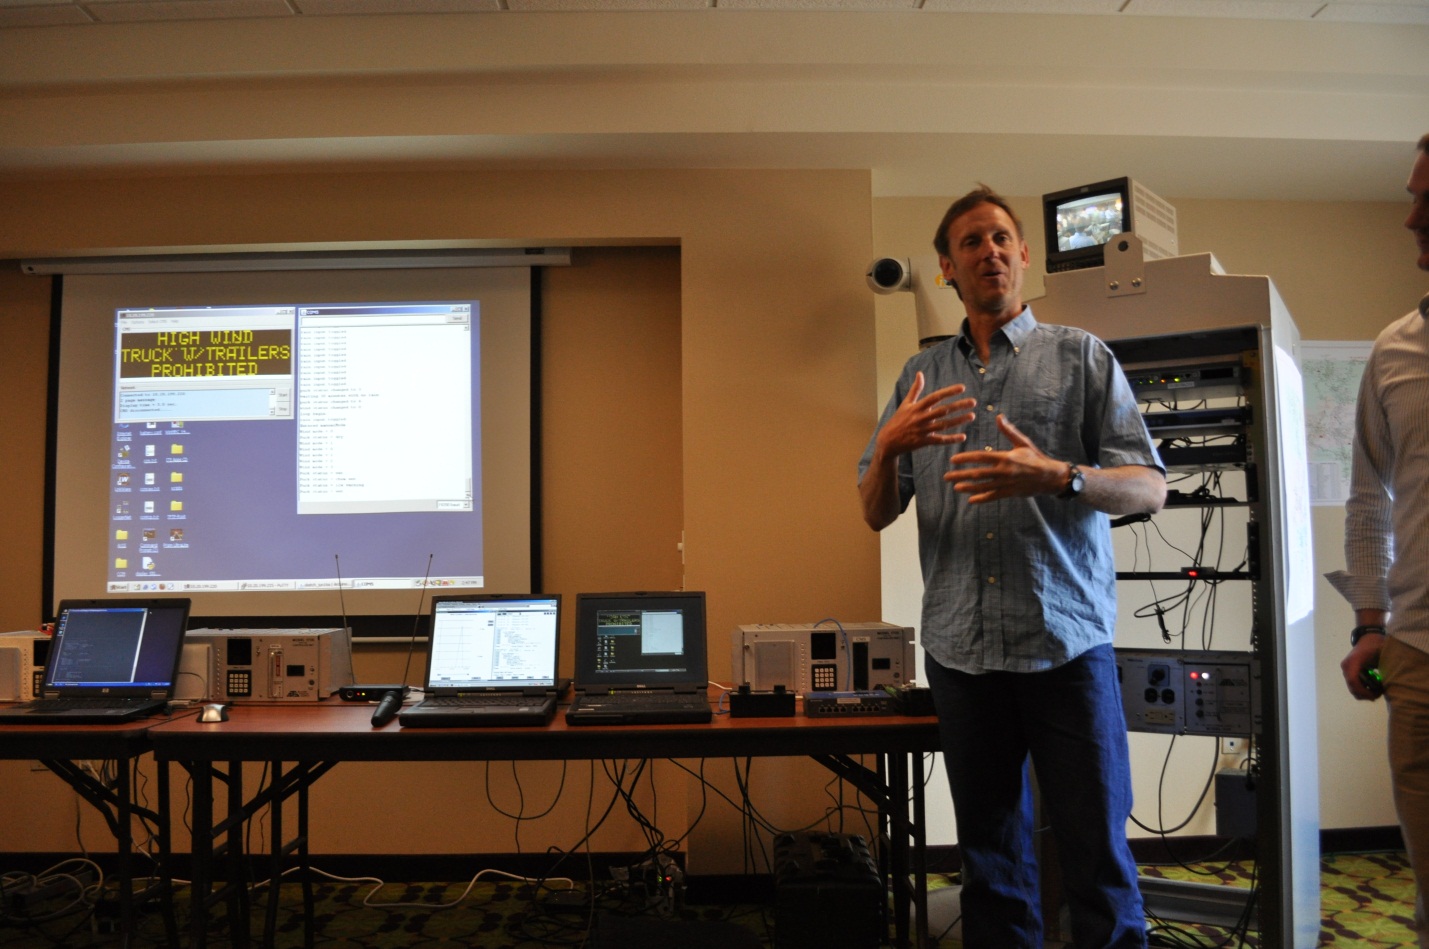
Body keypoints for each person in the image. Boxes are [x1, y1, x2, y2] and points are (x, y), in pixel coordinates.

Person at [857, 185, 1166, 948]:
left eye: (1000, 238)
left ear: (1023, 255)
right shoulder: (917, 376)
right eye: (970, 242)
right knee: (989, 862)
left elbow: (1148, 488)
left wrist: (1059, 475)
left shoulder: (1081, 356)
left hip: (1065, 648)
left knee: (1095, 854)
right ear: (945, 269)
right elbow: (872, 509)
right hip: (962, 654)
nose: (988, 251)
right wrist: (891, 445)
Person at [1332, 132, 1429, 947]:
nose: (1410, 218)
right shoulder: (1394, 348)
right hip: (1417, 654)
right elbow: (1368, 498)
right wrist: (1369, 621)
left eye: (1427, 198)